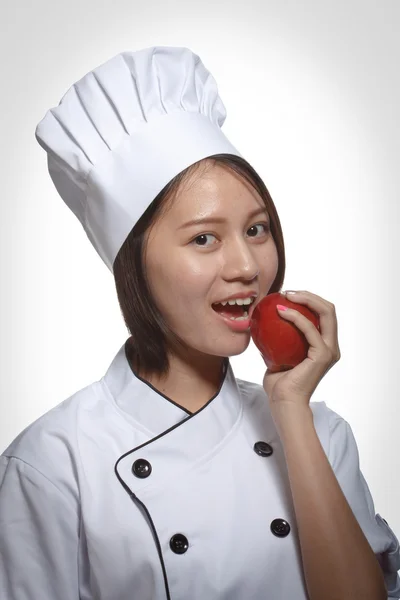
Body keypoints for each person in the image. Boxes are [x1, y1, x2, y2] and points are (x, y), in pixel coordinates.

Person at [0, 46, 399, 600]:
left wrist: (290, 408)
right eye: (204, 238)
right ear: (133, 262)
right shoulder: (53, 461)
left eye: (257, 230)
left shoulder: (322, 433)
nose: (246, 267)